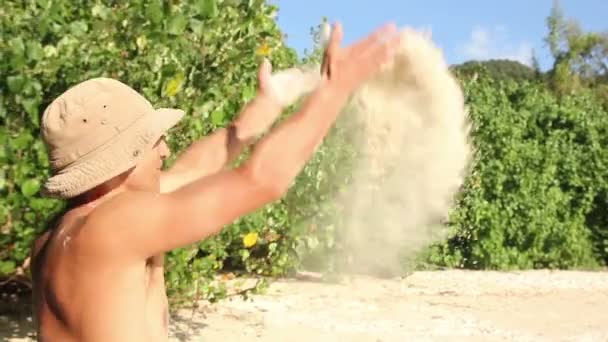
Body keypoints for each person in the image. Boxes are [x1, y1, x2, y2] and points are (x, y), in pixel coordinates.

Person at [30, 22, 402, 342]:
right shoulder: (117, 225)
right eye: (150, 141)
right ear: (117, 161)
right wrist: (335, 91)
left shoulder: (63, 233)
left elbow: (193, 171)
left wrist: (262, 111)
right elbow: (262, 182)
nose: (164, 149)